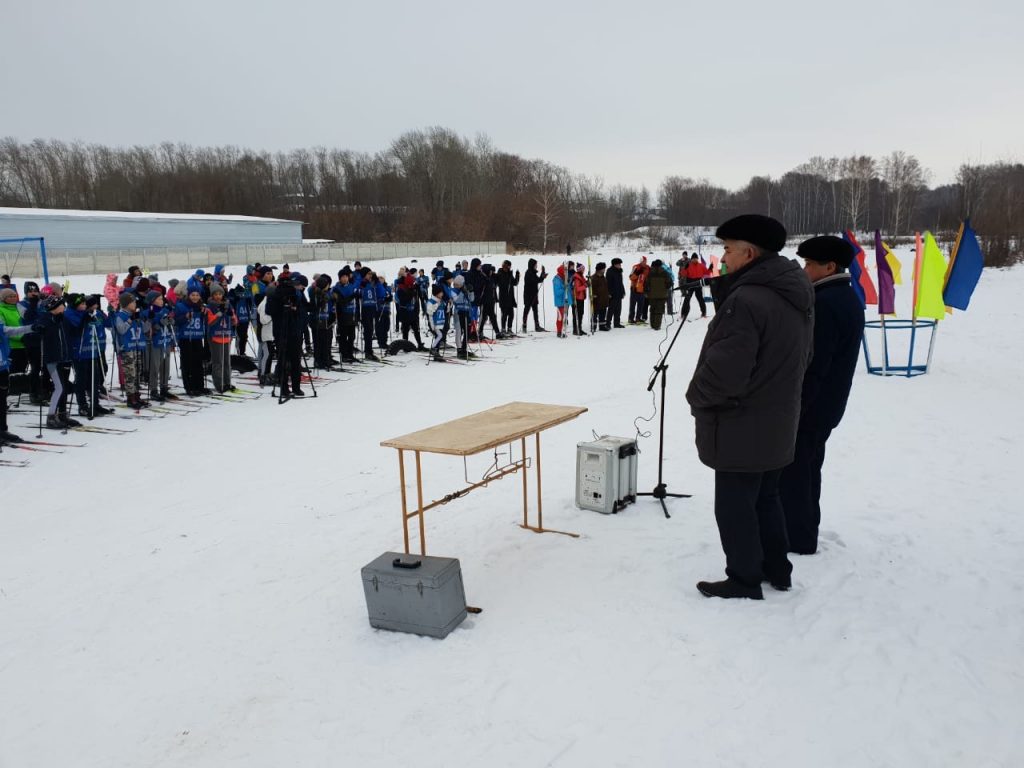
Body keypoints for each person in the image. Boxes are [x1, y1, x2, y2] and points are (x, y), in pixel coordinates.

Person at [685, 214, 814, 600]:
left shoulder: (747, 299)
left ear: (748, 251)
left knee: (735, 506)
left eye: (727, 249)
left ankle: (743, 578)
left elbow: (726, 371)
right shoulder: (794, 291)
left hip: (742, 422)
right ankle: (777, 568)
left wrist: (697, 397)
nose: (722, 258)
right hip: (776, 419)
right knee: (766, 497)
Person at [780, 235, 865, 555]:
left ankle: (798, 537)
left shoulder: (827, 303)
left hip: (813, 407)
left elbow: (815, 365)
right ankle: (802, 531)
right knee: (807, 469)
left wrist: (796, 407)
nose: (804, 270)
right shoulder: (842, 295)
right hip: (826, 405)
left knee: (797, 473)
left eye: (809, 264)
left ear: (829, 266)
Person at [1, 298, 33, 444]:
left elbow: (12, 330)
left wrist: (32, 327)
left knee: (2, 400)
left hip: (2, 366)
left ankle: (2, 430)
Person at [114, 292, 149, 410]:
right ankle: (130, 397)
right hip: (127, 348)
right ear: (126, 304)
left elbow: (145, 329)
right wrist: (130, 320)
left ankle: (136, 394)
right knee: (130, 373)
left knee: (137, 372)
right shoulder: (120, 315)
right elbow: (121, 330)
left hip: (136, 346)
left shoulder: (135, 315)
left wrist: (143, 319)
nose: (135, 304)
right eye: (132, 302)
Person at [174, 288, 208, 396]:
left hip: (197, 337)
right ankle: (189, 387)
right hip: (186, 337)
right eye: (193, 295)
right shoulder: (181, 306)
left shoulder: (201, 307)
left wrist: (205, 314)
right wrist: (185, 317)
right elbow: (176, 321)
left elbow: (205, 320)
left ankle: (199, 386)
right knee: (187, 363)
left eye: (197, 295)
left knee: (198, 362)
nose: (195, 297)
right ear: (188, 295)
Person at [205, 285, 237, 393]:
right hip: (215, 336)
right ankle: (219, 384)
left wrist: (232, 316)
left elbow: (234, 321)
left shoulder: (228, 304)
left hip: (226, 335)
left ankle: (227, 382)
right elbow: (210, 322)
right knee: (217, 361)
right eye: (216, 294)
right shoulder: (210, 306)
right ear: (212, 295)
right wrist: (219, 314)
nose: (218, 296)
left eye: (220, 294)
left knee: (227, 361)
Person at [144, 291, 174, 403]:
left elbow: (171, 322)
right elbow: (146, 330)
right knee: (155, 367)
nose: (162, 301)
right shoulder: (147, 312)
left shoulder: (165, 310)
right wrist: (158, 324)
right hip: (155, 343)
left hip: (165, 340)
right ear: (152, 301)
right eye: (159, 299)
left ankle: (164, 387)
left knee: (165, 366)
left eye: (162, 299)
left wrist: (170, 321)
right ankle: (153, 390)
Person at [644, 259, 672, 330]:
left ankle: (653, 324)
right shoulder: (665, 273)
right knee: (659, 310)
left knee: (652, 309)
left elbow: (646, 284)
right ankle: (657, 326)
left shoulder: (650, 273)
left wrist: (646, 292)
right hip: (662, 295)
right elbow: (669, 283)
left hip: (652, 295)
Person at [521, 258, 547, 332]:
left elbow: (539, 280)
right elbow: (535, 281)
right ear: (532, 265)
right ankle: (524, 326)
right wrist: (541, 276)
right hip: (528, 295)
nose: (536, 266)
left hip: (534, 295)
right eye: (535, 265)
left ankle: (537, 326)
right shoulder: (528, 273)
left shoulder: (533, 272)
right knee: (526, 310)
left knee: (535, 311)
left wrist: (543, 273)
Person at [681, 254, 710, 320]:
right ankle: (683, 314)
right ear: (691, 259)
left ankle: (704, 313)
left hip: (698, 283)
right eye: (693, 259)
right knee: (687, 299)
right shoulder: (688, 265)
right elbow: (683, 274)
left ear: (697, 259)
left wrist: (710, 269)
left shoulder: (701, 265)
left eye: (696, 258)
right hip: (690, 283)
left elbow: (707, 273)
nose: (695, 260)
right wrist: (685, 268)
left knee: (700, 298)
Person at [495, 260, 520, 335]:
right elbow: (502, 284)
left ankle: (509, 328)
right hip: (503, 298)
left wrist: (517, 275)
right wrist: (508, 278)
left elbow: (515, 283)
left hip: (510, 298)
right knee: (504, 314)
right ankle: (503, 329)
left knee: (511, 314)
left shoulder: (509, 273)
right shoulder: (500, 273)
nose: (509, 267)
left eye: (509, 266)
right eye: (508, 266)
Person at [426, 285, 448, 361]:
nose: (442, 294)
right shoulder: (431, 301)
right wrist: (436, 304)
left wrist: (448, 305)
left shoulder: (441, 301)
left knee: (439, 336)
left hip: (441, 322)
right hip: (435, 323)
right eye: (441, 293)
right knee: (439, 336)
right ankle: (433, 349)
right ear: (437, 293)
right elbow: (429, 312)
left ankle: (436, 352)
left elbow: (446, 310)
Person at [628, 257, 650, 324]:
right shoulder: (635, 267)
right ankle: (631, 318)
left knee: (641, 305)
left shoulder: (648, 268)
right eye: (643, 261)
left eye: (645, 261)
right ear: (640, 262)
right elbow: (631, 277)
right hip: (634, 288)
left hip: (643, 289)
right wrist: (637, 273)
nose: (644, 262)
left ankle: (638, 318)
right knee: (632, 305)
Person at [590, 262, 610, 331]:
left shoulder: (603, 277)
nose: (604, 270)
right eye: (603, 268)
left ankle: (602, 326)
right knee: (595, 314)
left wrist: (608, 294)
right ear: (600, 269)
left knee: (603, 313)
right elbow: (591, 288)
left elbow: (605, 287)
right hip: (597, 299)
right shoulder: (593, 278)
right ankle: (594, 326)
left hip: (604, 299)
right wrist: (593, 295)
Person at [552, 264, 571, 338]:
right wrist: (564, 287)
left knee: (565, 317)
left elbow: (568, 289)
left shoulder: (564, 278)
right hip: (560, 302)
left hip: (565, 301)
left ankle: (563, 330)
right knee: (560, 317)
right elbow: (557, 292)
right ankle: (559, 331)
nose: (566, 274)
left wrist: (569, 285)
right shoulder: (556, 280)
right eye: (564, 272)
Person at [606, 258, 625, 328]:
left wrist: (623, 291)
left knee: (618, 309)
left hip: (619, 293)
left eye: (620, 264)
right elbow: (608, 284)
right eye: (619, 264)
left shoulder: (619, 271)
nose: (620, 265)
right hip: (613, 294)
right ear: (615, 264)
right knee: (611, 309)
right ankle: (608, 323)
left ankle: (617, 323)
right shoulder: (610, 271)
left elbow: (621, 283)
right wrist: (609, 293)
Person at [571, 263, 588, 336]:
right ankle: (576, 329)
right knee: (577, 314)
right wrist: (585, 286)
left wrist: (587, 282)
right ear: (579, 269)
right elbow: (577, 289)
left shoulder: (580, 276)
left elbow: (584, 283)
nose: (584, 270)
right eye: (582, 269)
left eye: (584, 269)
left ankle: (579, 328)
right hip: (577, 298)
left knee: (581, 314)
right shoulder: (576, 277)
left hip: (581, 298)